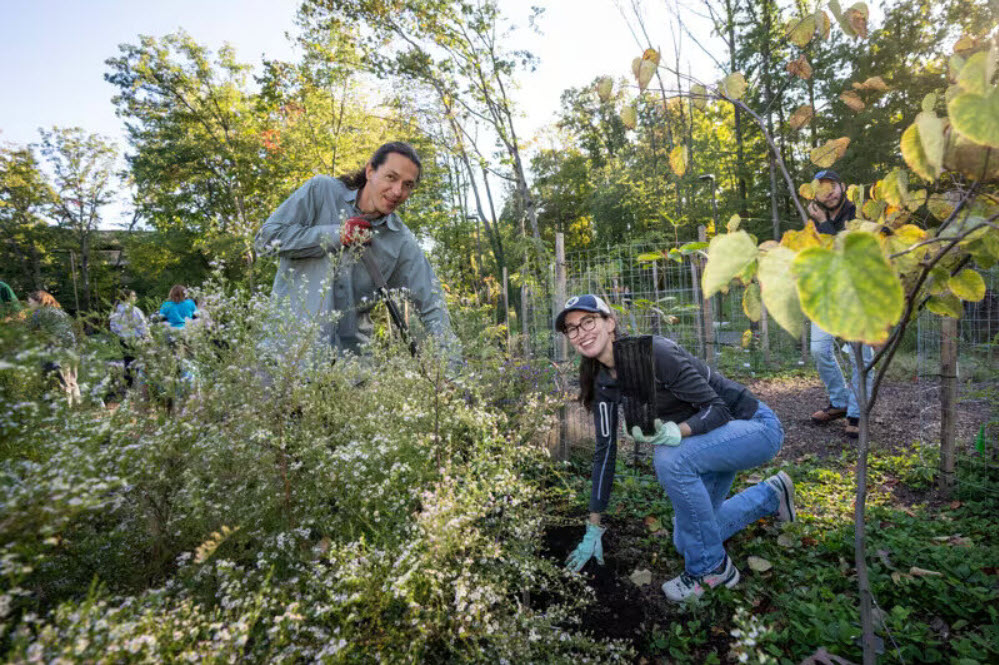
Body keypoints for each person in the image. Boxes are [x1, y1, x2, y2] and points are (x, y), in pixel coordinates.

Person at [555, 294, 795, 603]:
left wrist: (674, 432)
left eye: (588, 321)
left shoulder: (654, 352)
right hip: (709, 444)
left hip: (753, 428)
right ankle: (771, 495)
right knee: (688, 539)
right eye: (571, 328)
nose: (581, 332)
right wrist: (593, 527)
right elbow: (605, 453)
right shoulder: (603, 382)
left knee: (671, 458)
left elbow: (718, 410)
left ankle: (711, 569)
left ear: (610, 323)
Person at [254, 141, 458, 362]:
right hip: (283, 359)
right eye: (391, 177)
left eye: (408, 185)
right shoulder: (321, 191)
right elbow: (265, 240)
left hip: (349, 372)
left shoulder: (400, 241)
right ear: (370, 171)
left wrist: (451, 370)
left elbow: (432, 305)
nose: (398, 191)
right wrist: (336, 235)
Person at [805, 169, 871, 438]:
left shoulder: (858, 214)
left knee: (861, 357)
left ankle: (856, 413)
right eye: (821, 189)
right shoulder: (814, 219)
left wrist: (822, 224)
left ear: (842, 186)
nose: (828, 192)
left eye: (831, 186)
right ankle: (840, 402)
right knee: (819, 349)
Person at [26, 290, 81, 405]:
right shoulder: (59, 312)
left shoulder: (39, 314)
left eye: (30, 302)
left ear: (39, 301)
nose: (28, 305)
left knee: (61, 384)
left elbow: (28, 331)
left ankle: (65, 414)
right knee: (72, 382)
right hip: (72, 352)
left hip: (57, 353)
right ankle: (80, 409)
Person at [110, 289, 149, 388]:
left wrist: (121, 334)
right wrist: (146, 336)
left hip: (123, 339)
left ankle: (127, 385)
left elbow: (113, 326)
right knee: (136, 362)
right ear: (127, 297)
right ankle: (133, 385)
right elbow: (142, 325)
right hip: (134, 338)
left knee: (127, 361)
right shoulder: (134, 310)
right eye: (133, 296)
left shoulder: (116, 309)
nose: (135, 298)